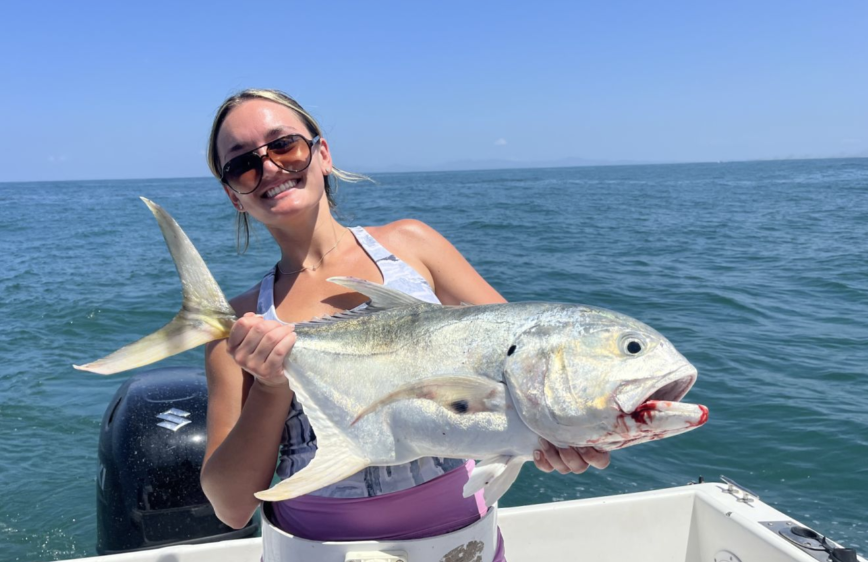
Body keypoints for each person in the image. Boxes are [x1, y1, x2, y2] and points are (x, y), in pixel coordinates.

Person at [199, 89, 610, 560]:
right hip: (312, 548)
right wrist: (271, 388)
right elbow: (230, 506)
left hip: (461, 541)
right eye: (242, 164)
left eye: (284, 145)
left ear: (322, 153)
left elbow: (524, 361)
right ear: (234, 195)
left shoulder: (414, 247)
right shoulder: (240, 325)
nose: (270, 166)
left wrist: (558, 435)